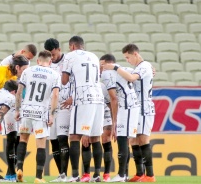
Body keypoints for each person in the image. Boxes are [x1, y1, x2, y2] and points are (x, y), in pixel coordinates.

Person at [103, 44, 156, 182]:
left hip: (144, 107)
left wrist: (115, 67)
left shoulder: (144, 66)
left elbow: (132, 78)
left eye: (128, 57)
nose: (127, 60)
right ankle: (139, 173)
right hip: (135, 107)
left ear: (135, 54)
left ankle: (150, 175)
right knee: (133, 140)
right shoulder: (138, 68)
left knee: (143, 139)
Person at [62, 36, 104, 182]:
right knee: (95, 137)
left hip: (82, 97)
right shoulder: (94, 56)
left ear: (72, 46)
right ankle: (97, 174)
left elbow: (64, 80)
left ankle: (74, 175)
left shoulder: (70, 56)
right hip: (98, 97)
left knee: (74, 136)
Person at [15, 50, 61, 183]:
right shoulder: (54, 74)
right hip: (41, 113)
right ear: (50, 61)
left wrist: (17, 110)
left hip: (26, 111)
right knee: (41, 145)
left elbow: (19, 92)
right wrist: (52, 115)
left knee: (23, 140)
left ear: (38, 61)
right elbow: (56, 96)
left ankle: (19, 169)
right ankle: (38, 177)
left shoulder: (27, 71)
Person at [0, 45, 37, 182]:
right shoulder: (5, 64)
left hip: (21, 105)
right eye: (27, 58)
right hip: (8, 105)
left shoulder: (26, 66)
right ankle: (10, 172)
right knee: (11, 137)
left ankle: (15, 171)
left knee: (18, 139)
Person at [101, 54, 140, 182]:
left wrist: (115, 122)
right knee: (125, 141)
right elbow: (139, 76)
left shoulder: (107, 74)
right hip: (132, 106)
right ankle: (125, 174)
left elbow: (113, 98)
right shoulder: (125, 69)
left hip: (127, 107)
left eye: (102, 64)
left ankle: (121, 174)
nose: (100, 68)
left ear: (108, 64)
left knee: (122, 139)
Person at [44, 38, 72, 182]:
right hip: (50, 107)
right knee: (53, 140)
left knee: (62, 138)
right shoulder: (46, 64)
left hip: (64, 106)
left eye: (54, 54)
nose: (52, 58)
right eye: (50, 55)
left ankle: (65, 173)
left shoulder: (68, 61)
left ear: (59, 50)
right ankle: (61, 174)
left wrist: (73, 97)